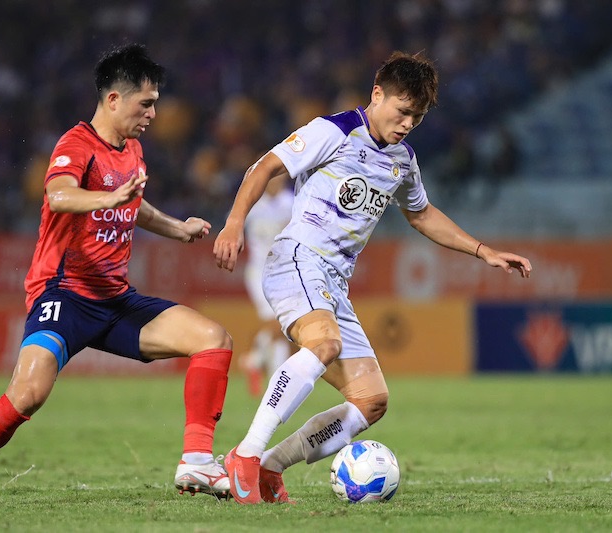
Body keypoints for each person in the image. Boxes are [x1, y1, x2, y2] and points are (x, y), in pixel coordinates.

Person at [213, 50, 532, 504]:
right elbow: (265, 167)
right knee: (323, 344)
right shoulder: (333, 131)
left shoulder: (402, 159)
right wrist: (233, 224)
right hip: (298, 258)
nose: (407, 124)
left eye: (417, 118)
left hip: (333, 283)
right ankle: (245, 454)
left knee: (371, 400)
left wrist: (484, 251)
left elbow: (421, 214)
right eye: (403, 112)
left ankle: (270, 467)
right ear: (377, 94)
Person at [0, 44, 233, 507]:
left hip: (115, 301)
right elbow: (60, 195)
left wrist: (176, 228)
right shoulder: (76, 144)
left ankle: (197, 461)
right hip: (64, 296)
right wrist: (105, 199)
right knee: (27, 395)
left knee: (213, 338)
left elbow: (135, 204)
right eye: (145, 103)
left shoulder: (133, 150)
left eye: (155, 103)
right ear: (112, 100)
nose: (153, 113)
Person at [241, 173, 294, 397]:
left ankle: (258, 365)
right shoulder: (252, 203)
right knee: (277, 323)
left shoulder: (291, 202)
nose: (275, 180)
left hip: (285, 272)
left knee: (285, 326)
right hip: (258, 272)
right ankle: (274, 379)